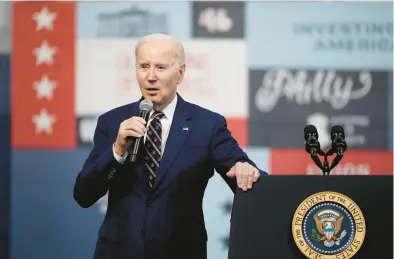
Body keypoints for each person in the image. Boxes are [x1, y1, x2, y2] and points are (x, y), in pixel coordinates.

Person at [73, 33, 268, 259]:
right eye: (144, 66)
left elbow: (251, 179)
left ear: (181, 73)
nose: (151, 77)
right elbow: (84, 195)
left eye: (161, 67)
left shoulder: (207, 125)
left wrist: (246, 171)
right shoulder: (112, 122)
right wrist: (117, 150)